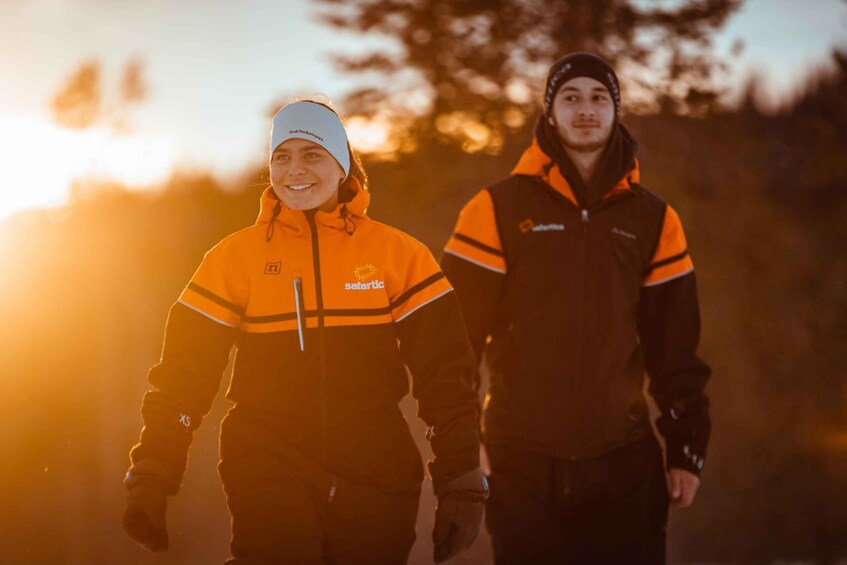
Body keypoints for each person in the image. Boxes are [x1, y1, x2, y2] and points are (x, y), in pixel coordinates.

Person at [122, 99, 488, 564]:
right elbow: (184, 372)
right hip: (266, 459)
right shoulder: (234, 259)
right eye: (282, 156)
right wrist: (154, 468)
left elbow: (446, 373)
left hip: (377, 467)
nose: (295, 169)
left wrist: (461, 480)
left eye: (312, 154)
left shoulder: (399, 255)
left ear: (342, 166)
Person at [441, 53, 712, 564]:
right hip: (520, 458)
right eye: (570, 98)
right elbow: (454, 340)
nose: (585, 109)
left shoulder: (654, 219)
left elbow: (675, 346)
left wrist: (686, 444)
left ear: (615, 111)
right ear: (549, 113)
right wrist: (460, 441)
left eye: (598, 98)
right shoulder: (495, 209)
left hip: (623, 460)